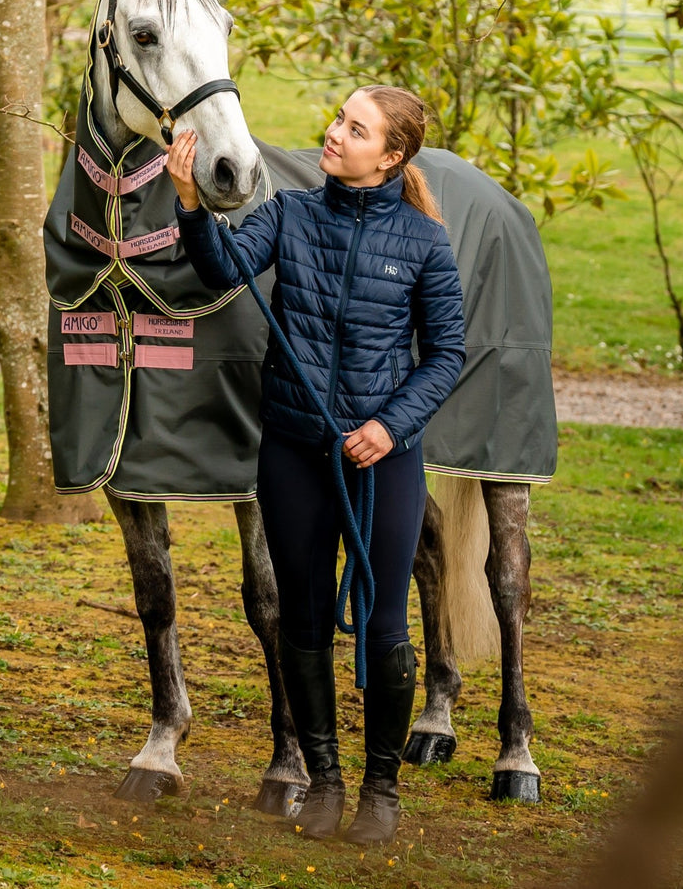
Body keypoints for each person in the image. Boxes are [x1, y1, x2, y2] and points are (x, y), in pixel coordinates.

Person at [167, 86, 466, 845]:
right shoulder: (290, 214)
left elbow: (446, 355)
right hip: (294, 452)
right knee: (301, 622)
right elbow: (224, 270)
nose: (333, 134)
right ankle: (325, 782)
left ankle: (381, 792)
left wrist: (389, 428)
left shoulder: (425, 242)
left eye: (355, 129)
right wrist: (191, 205)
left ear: (390, 157)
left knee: (385, 624)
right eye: (338, 119)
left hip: (381, 462)